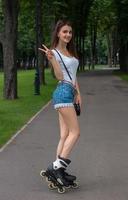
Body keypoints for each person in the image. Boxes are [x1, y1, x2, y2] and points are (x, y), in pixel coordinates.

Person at [39, 19, 82, 187]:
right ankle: (55, 168)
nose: (68, 35)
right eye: (64, 31)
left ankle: (60, 174)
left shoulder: (70, 53)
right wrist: (52, 59)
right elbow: (59, 76)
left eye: (70, 32)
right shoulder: (55, 52)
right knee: (75, 133)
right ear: (58, 33)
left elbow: (73, 75)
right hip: (63, 92)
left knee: (65, 135)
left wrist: (78, 94)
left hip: (69, 93)